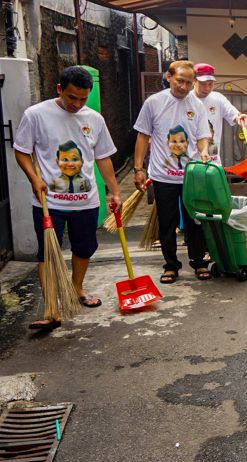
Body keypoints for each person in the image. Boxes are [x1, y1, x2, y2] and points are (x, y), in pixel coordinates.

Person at [13, 66, 122, 331]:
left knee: (85, 248)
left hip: (86, 201)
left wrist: (115, 191)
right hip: (49, 202)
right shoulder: (36, 115)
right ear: (59, 89)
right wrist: (33, 178)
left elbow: (103, 157)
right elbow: (22, 151)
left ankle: (76, 289)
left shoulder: (94, 118)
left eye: (83, 99)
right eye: (72, 97)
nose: (77, 104)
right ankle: (51, 308)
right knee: (48, 253)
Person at [133, 60, 212, 284]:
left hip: (192, 176)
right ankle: (171, 265)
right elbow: (143, 136)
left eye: (189, 82)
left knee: (195, 221)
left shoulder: (196, 105)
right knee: (167, 223)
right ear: (169, 77)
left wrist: (204, 150)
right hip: (162, 176)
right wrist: (138, 168)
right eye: (180, 81)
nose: (184, 87)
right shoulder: (154, 103)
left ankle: (198, 262)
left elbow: (202, 136)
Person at [192, 63, 247, 163]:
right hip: (188, 162)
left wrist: (239, 118)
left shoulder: (218, 98)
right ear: (194, 81)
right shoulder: (185, 100)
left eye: (210, 84)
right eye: (203, 84)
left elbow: (233, 114)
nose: (207, 88)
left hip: (212, 162)